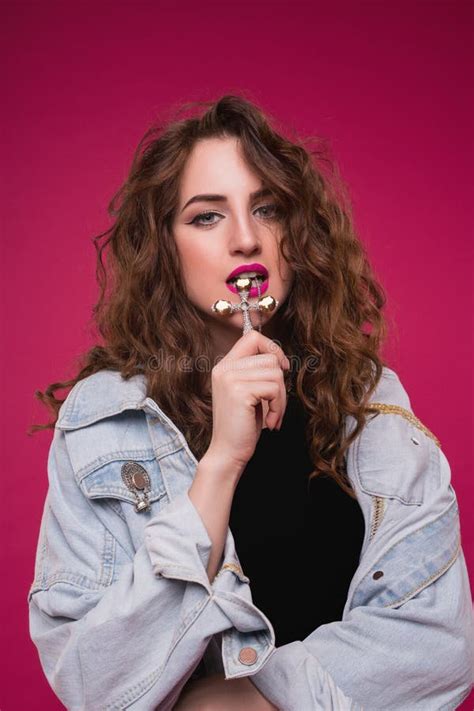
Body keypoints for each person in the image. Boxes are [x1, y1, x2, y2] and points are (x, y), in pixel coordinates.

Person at [28, 94, 473, 711]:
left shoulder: (371, 406)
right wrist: (221, 464)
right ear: (164, 245)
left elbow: (440, 643)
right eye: (207, 217)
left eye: (267, 208)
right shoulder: (103, 421)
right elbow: (94, 682)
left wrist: (254, 698)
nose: (245, 239)